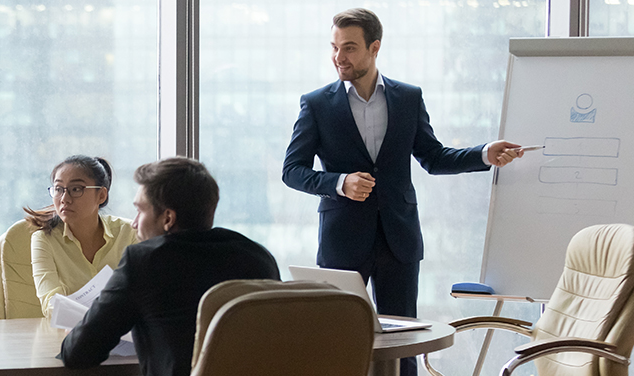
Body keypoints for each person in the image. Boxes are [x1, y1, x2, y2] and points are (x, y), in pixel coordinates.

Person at [281, 8, 524, 376]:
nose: (338, 57)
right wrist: (338, 183)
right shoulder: (316, 104)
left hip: (399, 239)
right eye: (334, 47)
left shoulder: (408, 98)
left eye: (349, 48)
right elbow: (292, 171)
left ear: (374, 47)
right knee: (337, 342)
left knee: (404, 344)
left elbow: (433, 156)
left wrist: (483, 154)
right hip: (342, 241)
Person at [60, 157, 280, 376]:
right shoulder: (259, 258)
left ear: (168, 218)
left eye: (140, 211)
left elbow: (78, 353)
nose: (134, 223)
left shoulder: (145, 261)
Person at [26, 155, 137, 317]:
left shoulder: (129, 232)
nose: (64, 199)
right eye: (58, 189)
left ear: (101, 195)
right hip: (70, 334)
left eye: (76, 189)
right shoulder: (44, 239)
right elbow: (50, 303)